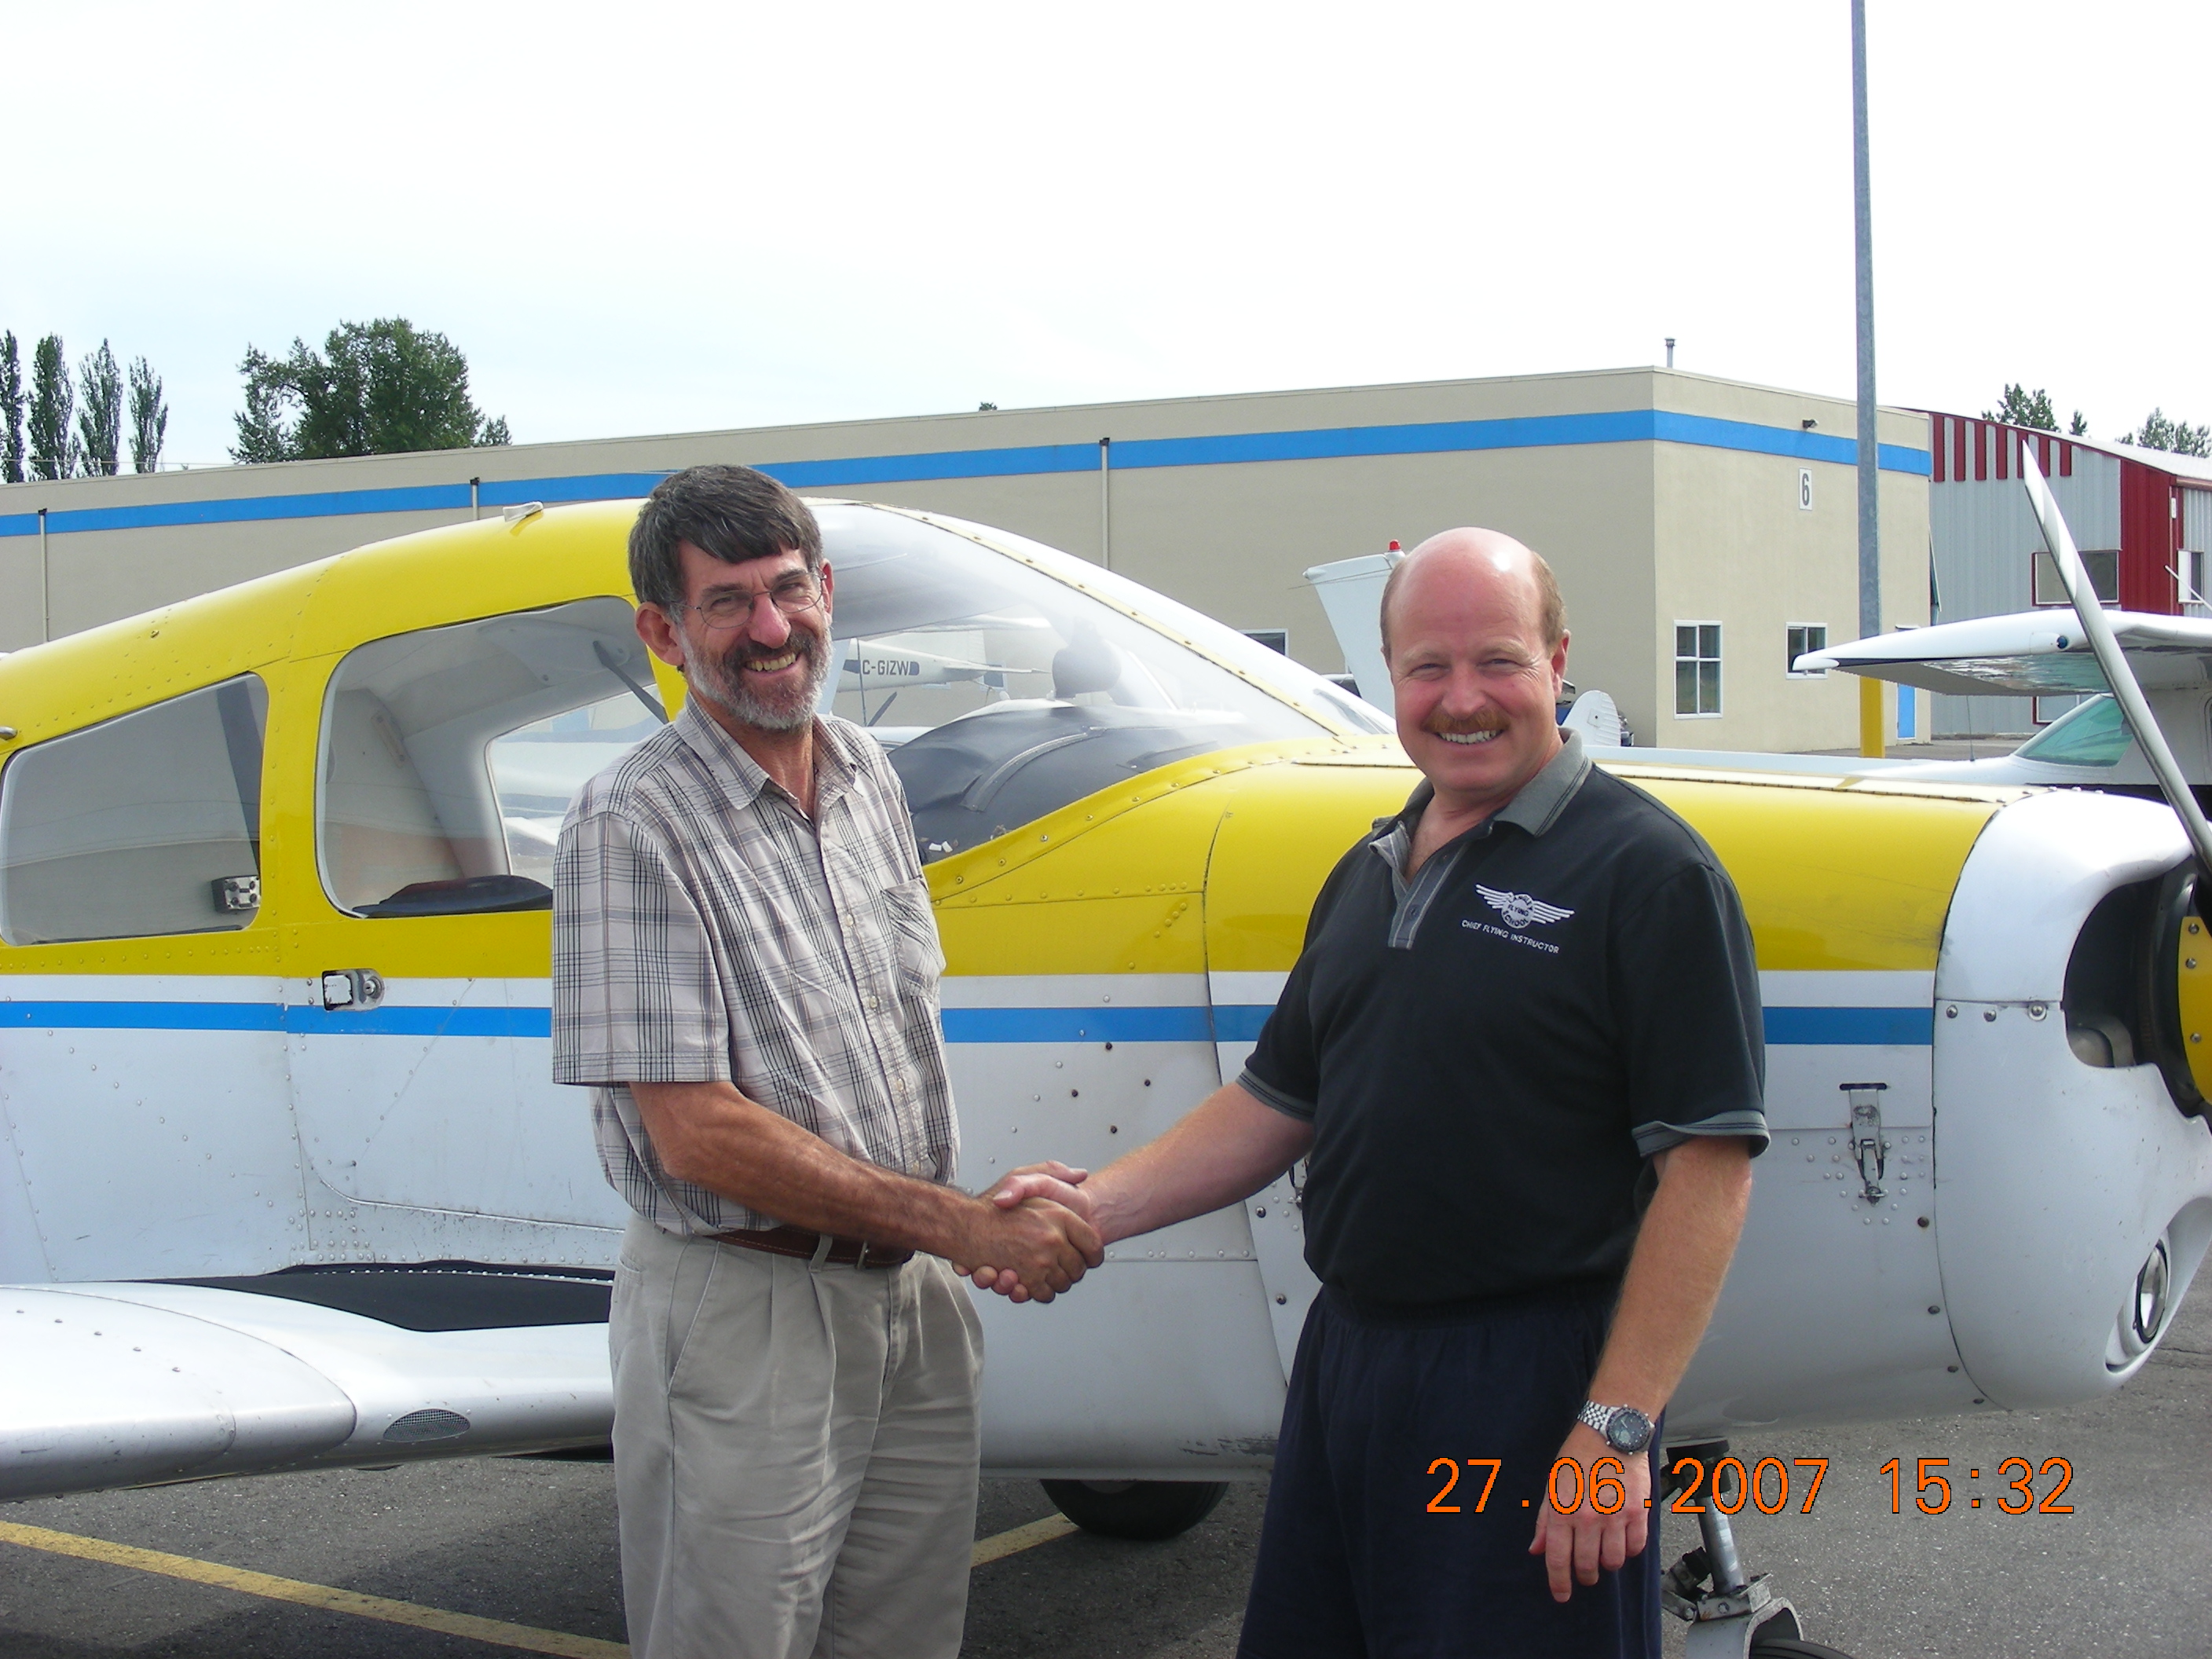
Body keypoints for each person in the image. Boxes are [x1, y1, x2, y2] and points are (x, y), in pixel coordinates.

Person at [975, 527, 1767, 1657]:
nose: (1462, 699)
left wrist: (1616, 1423)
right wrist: (1087, 1211)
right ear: (1387, 679)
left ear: (1557, 662)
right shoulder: (1367, 869)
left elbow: (1707, 1173)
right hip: (1349, 1361)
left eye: (1497, 661)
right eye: (1426, 668)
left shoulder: (1651, 875)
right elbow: (1275, 1102)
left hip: (1527, 1383)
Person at [551, 464, 1101, 1659]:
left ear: (827, 592)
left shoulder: (866, 776)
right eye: (725, 603)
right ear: (662, 631)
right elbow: (695, 1131)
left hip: (909, 1299)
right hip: (746, 1311)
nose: (769, 629)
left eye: (788, 590)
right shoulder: (627, 824)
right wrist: (966, 1229)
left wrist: (947, 1237)